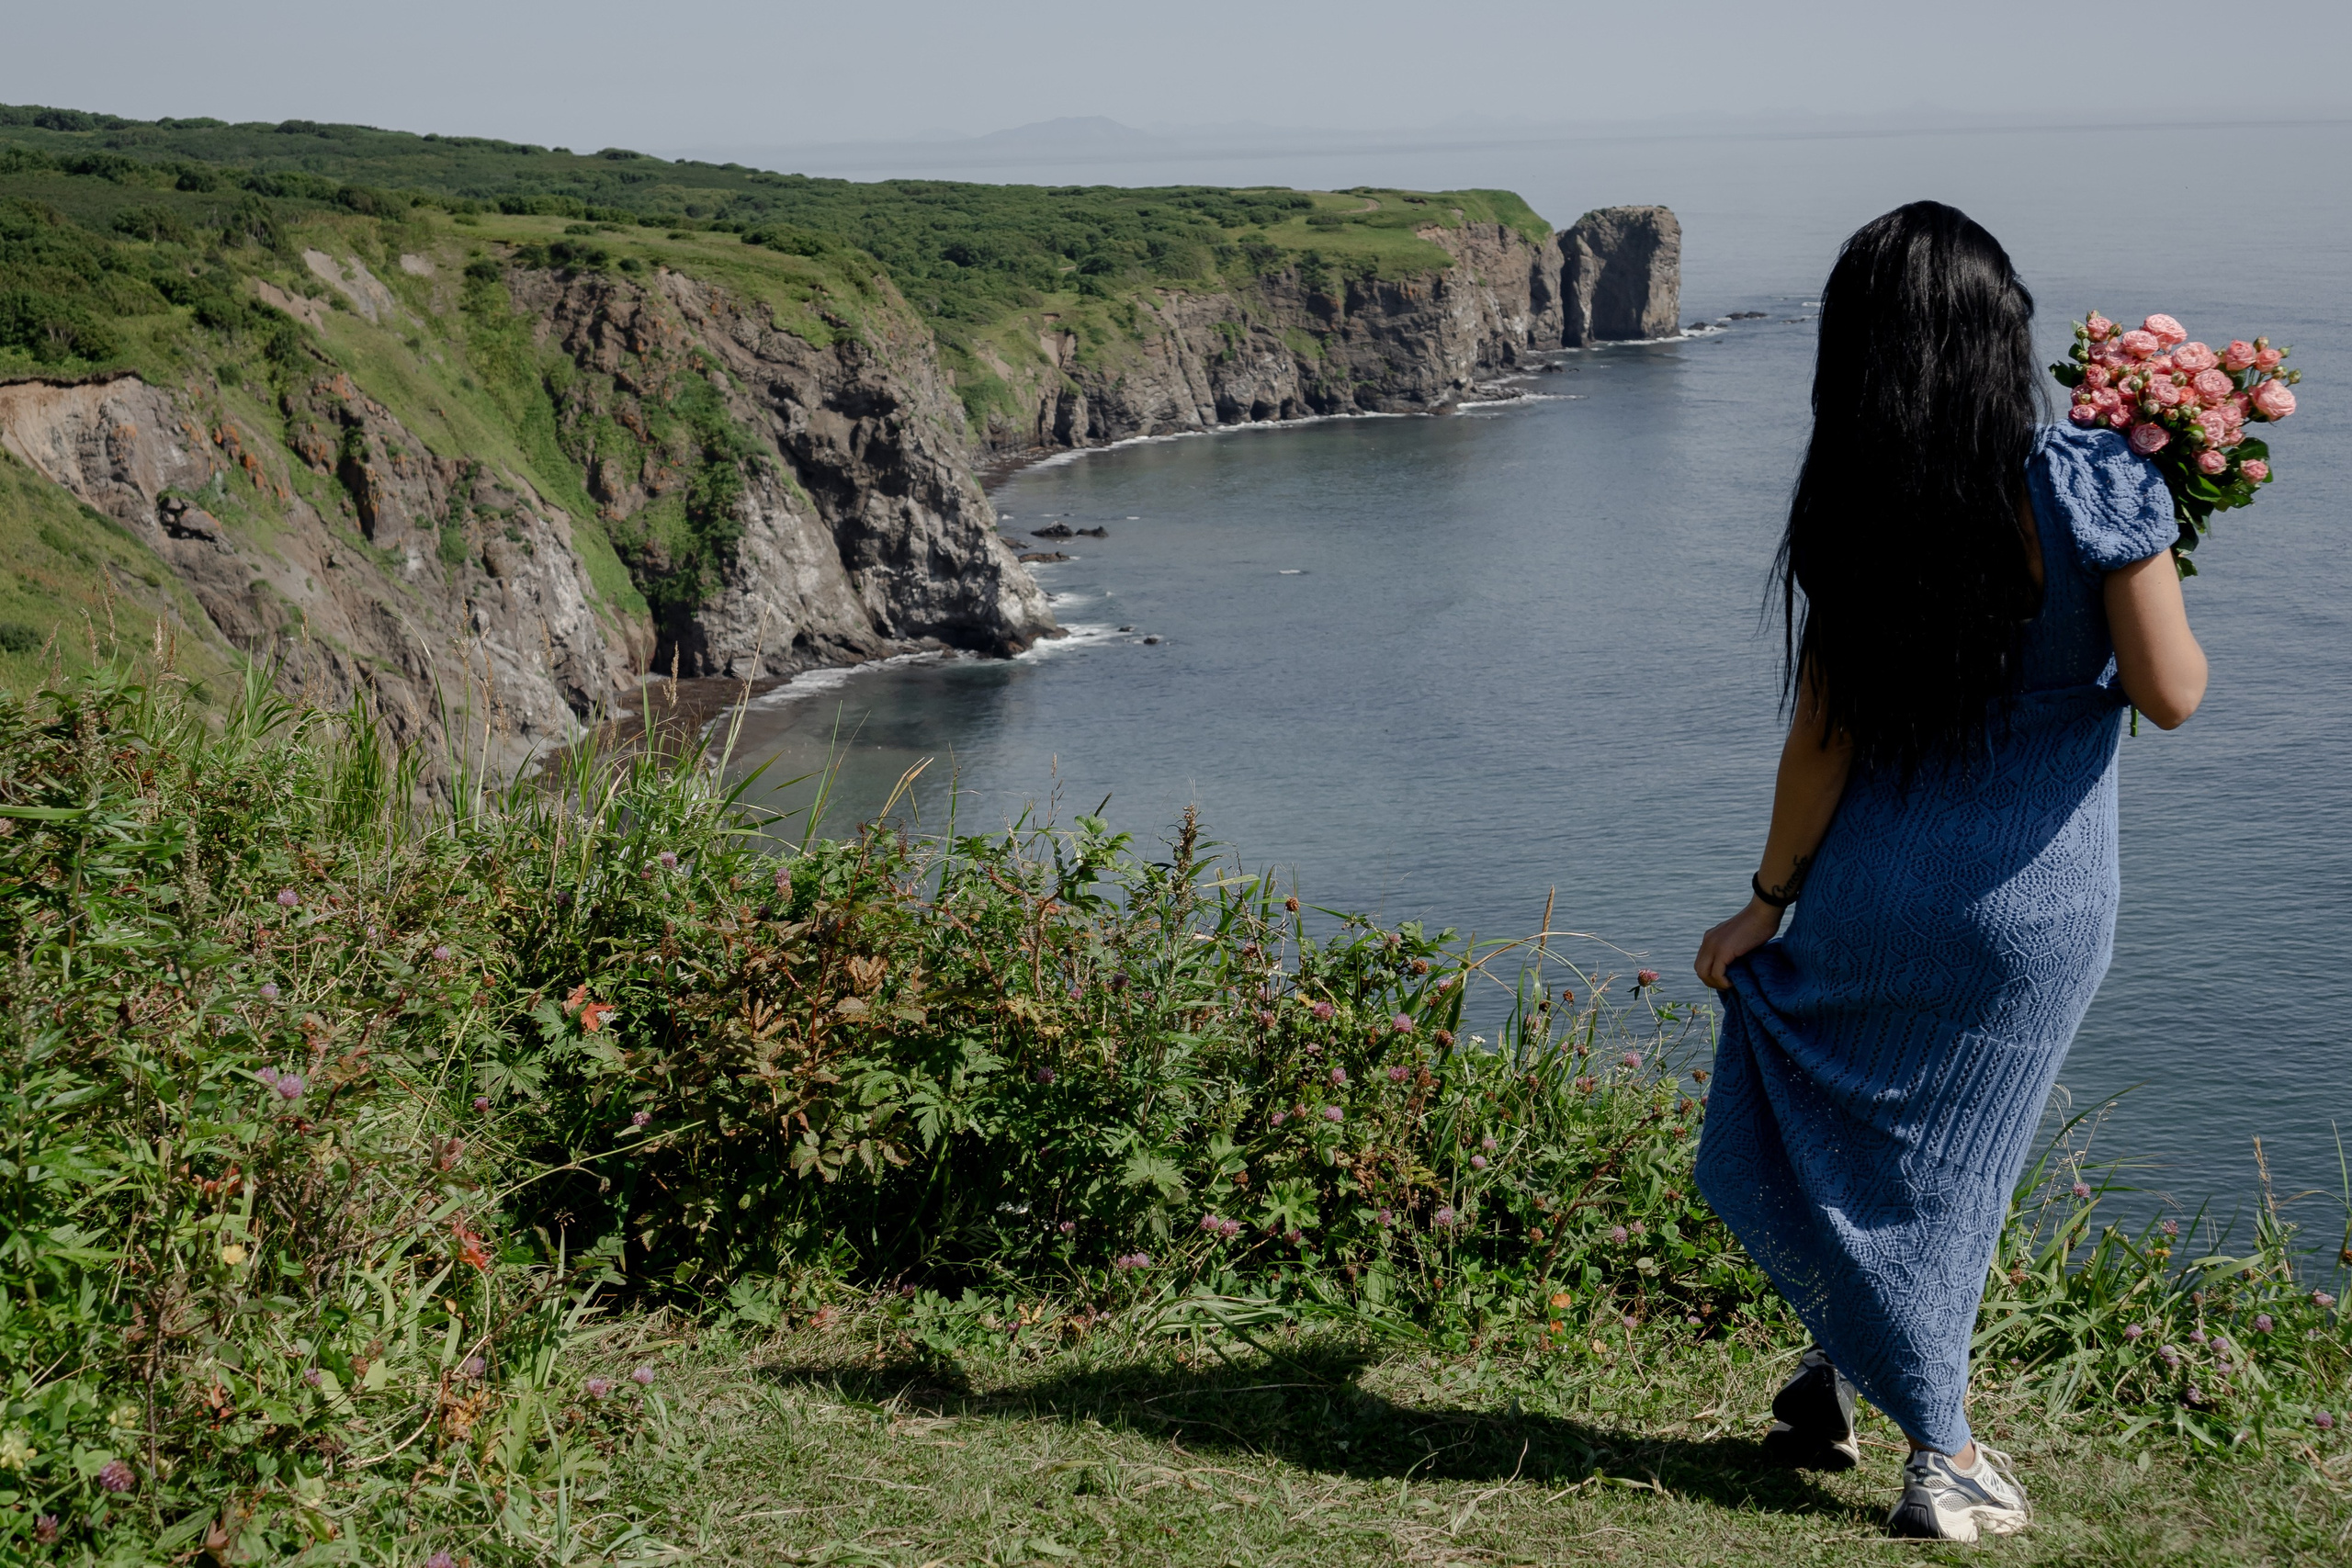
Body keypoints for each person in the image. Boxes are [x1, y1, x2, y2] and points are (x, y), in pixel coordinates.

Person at [1690, 201, 2209, 1542]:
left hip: (1870, 887)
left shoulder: (1859, 505)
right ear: (2007, 331)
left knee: (1876, 1139)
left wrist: (1768, 900)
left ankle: (1829, 1372)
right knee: (1958, 1175)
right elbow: (2173, 694)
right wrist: (2147, 543)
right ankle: (1948, 1453)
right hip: (2029, 906)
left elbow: (1823, 735)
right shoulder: (2096, 480)